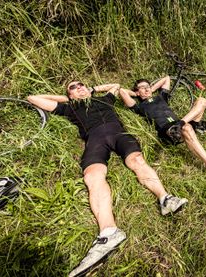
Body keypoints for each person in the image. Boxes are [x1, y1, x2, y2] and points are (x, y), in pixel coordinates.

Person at [27, 81, 188, 277]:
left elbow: (116, 85)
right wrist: (68, 98)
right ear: (69, 95)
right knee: (92, 176)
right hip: (94, 139)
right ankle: (108, 232)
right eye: (73, 87)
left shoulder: (105, 100)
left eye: (82, 84)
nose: (79, 87)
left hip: (119, 133)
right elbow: (33, 99)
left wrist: (92, 90)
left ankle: (166, 199)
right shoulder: (69, 108)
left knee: (137, 160)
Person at [118, 76, 206, 186]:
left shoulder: (160, 97)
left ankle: (183, 123)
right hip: (168, 131)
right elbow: (122, 91)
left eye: (147, 86)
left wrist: (150, 89)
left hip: (180, 123)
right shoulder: (139, 106)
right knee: (187, 128)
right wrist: (137, 93)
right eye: (142, 88)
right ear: (137, 92)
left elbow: (166, 78)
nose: (146, 89)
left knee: (202, 100)